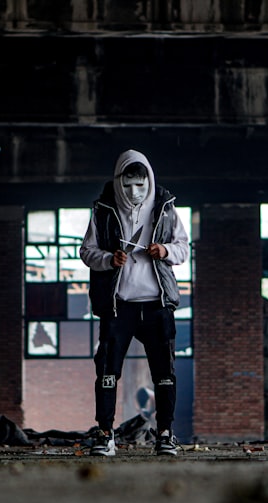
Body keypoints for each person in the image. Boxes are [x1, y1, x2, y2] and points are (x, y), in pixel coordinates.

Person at [80, 149, 190, 456]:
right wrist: (108, 259)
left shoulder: (166, 209)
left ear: (150, 182)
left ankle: (165, 434)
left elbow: (184, 248)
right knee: (107, 370)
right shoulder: (103, 211)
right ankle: (105, 434)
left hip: (157, 304)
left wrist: (165, 251)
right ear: (118, 182)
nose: (134, 192)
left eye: (140, 186)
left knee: (164, 372)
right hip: (118, 306)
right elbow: (87, 251)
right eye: (127, 186)